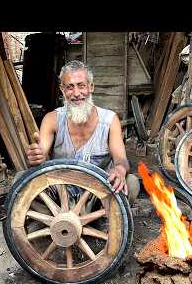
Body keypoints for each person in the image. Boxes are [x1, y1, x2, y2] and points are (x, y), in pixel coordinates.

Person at [26, 60, 140, 205]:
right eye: (70, 87)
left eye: (81, 86)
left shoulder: (110, 120)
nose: (76, 93)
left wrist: (119, 169)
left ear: (91, 87)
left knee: (131, 183)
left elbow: (121, 159)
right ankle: (61, 219)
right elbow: (40, 152)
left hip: (98, 194)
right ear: (62, 90)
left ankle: (102, 217)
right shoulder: (52, 119)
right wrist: (36, 156)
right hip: (59, 193)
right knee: (22, 179)